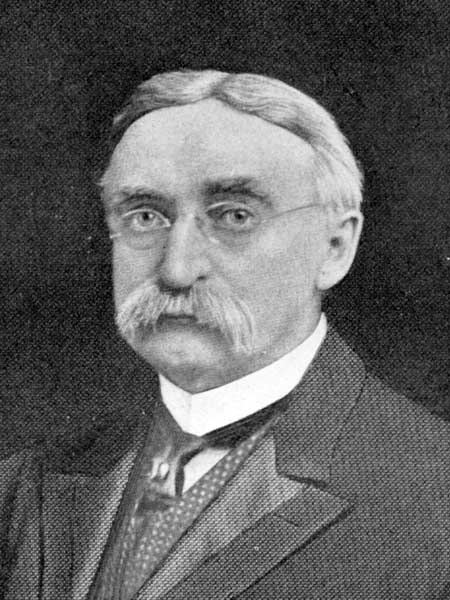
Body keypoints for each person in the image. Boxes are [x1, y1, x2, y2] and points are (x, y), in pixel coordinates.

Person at [1, 69, 450, 600]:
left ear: (334, 248)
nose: (176, 270)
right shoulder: (25, 483)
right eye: (145, 216)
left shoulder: (432, 490)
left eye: (234, 216)